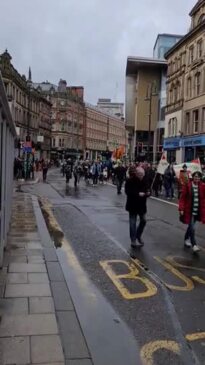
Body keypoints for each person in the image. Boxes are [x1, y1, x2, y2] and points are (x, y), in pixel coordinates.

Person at [179, 171, 205, 253]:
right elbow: (182, 198)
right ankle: (194, 245)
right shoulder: (188, 186)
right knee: (192, 228)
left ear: (200, 178)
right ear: (193, 177)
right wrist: (181, 209)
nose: (197, 178)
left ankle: (186, 238)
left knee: (191, 226)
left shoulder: (203, 186)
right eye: (195, 176)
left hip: (198, 211)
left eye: (198, 177)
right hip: (189, 211)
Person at [125, 166, 150, 248]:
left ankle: (138, 235)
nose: (141, 176)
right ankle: (133, 240)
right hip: (132, 204)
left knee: (143, 220)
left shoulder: (145, 180)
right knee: (132, 223)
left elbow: (147, 190)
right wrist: (137, 194)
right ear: (136, 174)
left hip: (142, 205)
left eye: (142, 175)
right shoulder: (130, 181)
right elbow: (127, 191)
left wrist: (148, 193)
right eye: (139, 175)